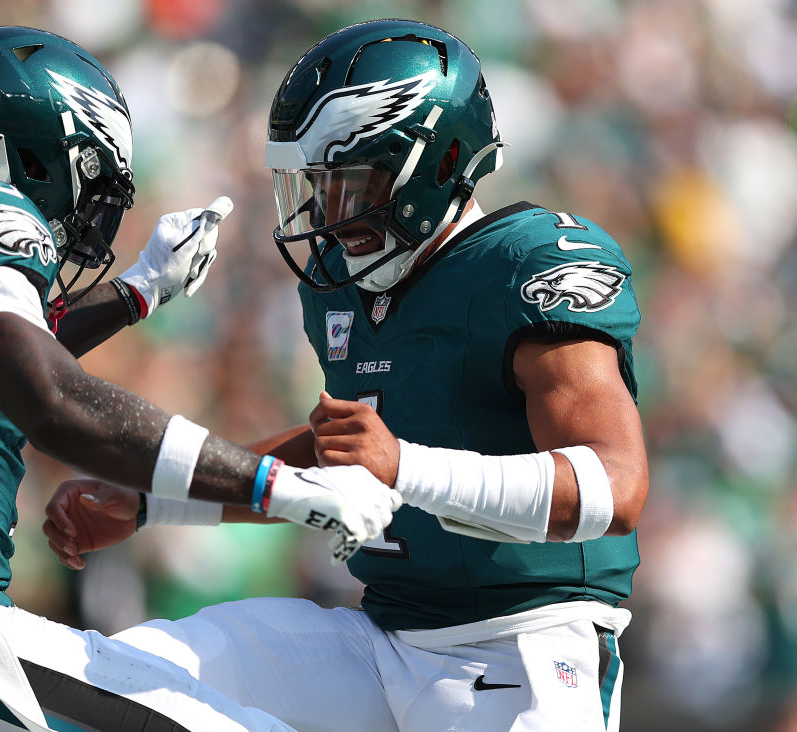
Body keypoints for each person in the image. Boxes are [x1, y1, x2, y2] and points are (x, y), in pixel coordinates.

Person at [0, 25, 401, 732]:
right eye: (88, 183)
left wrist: (138, 291)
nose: (84, 219)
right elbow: (51, 399)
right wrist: (276, 484)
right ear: (34, 154)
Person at [44, 18, 649, 732]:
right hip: (382, 639)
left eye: (348, 185)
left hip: (525, 649)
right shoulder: (347, 284)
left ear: (433, 163)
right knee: (128, 673)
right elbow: (338, 447)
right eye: (314, 186)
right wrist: (153, 502)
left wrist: (405, 466)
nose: (324, 214)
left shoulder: (524, 265)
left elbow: (616, 487)